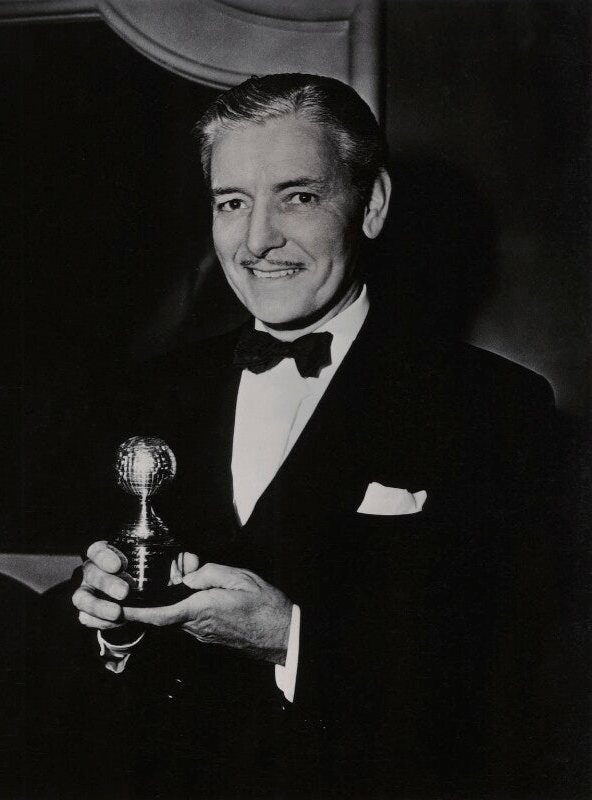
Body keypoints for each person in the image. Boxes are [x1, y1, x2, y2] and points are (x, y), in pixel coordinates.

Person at [38, 74, 564, 799]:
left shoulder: (496, 408)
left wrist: (289, 638)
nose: (258, 240)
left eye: (299, 196)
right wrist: (113, 623)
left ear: (369, 205)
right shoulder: (150, 392)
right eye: (232, 203)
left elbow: (520, 684)